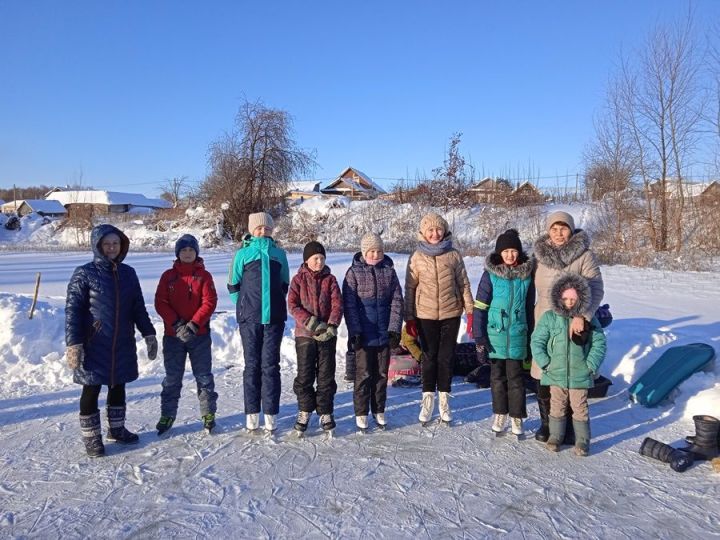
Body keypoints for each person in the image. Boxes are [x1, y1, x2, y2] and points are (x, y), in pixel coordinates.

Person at [65, 224, 157, 457]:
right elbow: (73, 311)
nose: (111, 247)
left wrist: (148, 333)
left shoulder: (128, 273)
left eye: (115, 243)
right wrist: (74, 343)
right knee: (91, 388)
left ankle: (116, 429)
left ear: (122, 245)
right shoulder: (84, 273)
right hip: (95, 342)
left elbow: (137, 307)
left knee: (118, 384)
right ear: (97, 246)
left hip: (122, 341)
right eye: (106, 244)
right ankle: (92, 438)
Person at [532, 210, 604, 444]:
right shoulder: (539, 256)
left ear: (571, 231)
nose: (558, 233)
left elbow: (596, 289)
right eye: (554, 229)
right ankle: (549, 424)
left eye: (563, 228)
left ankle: (572, 427)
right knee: (545, 373)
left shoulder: (585, 256)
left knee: (571, 375)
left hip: (574, 322)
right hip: (545, 318)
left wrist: (582, 316)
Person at [404, 212, 473, 424]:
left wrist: (470, 312)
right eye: (430, 230)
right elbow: (410, 288)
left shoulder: (453, 255)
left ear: (444, 231)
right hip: (425, 315)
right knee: (429, 357)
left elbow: (464, 284)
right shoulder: (416, 257)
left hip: (451, 314)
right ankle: (427, 399)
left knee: (446, 357)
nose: (435, 233)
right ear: (423, 233)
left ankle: (444, 399)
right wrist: (410, 317)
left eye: (439, 229)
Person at [531, 273, 607, 456]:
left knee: (580, 408)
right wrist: (545, 363)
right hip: (555, 373)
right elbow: (537, 341)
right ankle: (555, 436)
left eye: (573, 298)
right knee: (557, 406)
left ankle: (582, 441)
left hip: (580, 374)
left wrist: (590, 366)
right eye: (565, 298)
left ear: (580, 298)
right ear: (558, 298)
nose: (569, 302)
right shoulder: (550, 318)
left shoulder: (589, 319)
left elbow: (599, 343)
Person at [227, 212, 289, 432]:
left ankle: (271, 413)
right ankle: (252, 412)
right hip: (249, 320)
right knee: (252, 366)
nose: (264, 232)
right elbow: (233, 286)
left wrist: (275, 305)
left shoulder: (279, 254)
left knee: (271, 366)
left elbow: (284, 285)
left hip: (274, 319)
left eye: (268, 228)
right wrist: (244, 306)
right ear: (252, 230)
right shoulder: (242, 254)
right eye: (260, 228)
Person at [472, 229, 535, 436]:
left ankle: (517, 417)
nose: (510, 255)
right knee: (497, 378)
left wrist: (530, 339)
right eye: (506, 251)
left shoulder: (526, 276)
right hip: (495, 335)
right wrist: (480, 338)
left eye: (514, 251)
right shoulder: (490, 275)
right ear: (500, 253)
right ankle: (500, 413)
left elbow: (528, 308)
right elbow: (480, 306)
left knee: (516, 379)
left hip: (517, 334)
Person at [154, 234, 218, 435]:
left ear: (196, 253)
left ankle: (208, 413)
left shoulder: (204, 276)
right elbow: (160, 302)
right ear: (178, 253)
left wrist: (193, 325)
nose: (188, 253)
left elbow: (209, 302)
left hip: (199, 336)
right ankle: (167, 414)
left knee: (204, 376)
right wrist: (177, 324)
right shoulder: (168, 276)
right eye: (184, 250)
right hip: (173, 336)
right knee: (172, 378)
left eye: (191, 250)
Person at [343, 232, 403, 431]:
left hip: (383, 333)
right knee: (364, 374)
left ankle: (379, 410)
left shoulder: (389, 272)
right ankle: (361, 412)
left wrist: (394, 329)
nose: (376, 255)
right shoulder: (353, 273)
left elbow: (397, 301)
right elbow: (350, 306)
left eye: (379, 251)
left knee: (381, 375)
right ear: (364, 252)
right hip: (364, 333)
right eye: (372, 251)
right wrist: (355, 332)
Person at [288, 241, 343, 433]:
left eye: (322, 258)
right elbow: (293, 305)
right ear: (307, 260)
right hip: (305, 335)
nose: (319, 262)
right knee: (305, 376)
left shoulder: (331, 280)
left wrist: (331, 325)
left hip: (327, 336)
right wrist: (311, 323)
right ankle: (304, 410)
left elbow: (337, 304)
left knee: (326, 376)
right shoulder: (298, 280)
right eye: (315, 258)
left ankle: (325, 412)